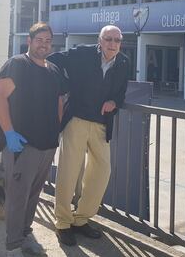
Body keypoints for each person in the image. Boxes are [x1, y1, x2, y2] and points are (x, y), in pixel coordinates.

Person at [48, 24, 129, 246]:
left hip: (102, 124)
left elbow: (121, 92)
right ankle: (63, 222)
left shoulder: (123, 62)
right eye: (108, 39)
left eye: (117, 40)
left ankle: (81, 219)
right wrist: (64, 87)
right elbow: (54, 60)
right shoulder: (82, 53)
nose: (113, 44)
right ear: (100, 40)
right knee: (69, 171)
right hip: (77, 120)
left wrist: (115, 102)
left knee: (102, 170)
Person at [0, 23, 66, 257]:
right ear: (30, 41)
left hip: (47, 143)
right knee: (17, 193)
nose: (43, 44)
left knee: (34, 192)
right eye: (39, 40)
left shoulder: (53, 69)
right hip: (22, 144)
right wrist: (9, 133)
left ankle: (25, 230)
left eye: (47, 41)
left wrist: (57, 130)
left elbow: (59, 101)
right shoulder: (18, 64)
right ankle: (14, 240)